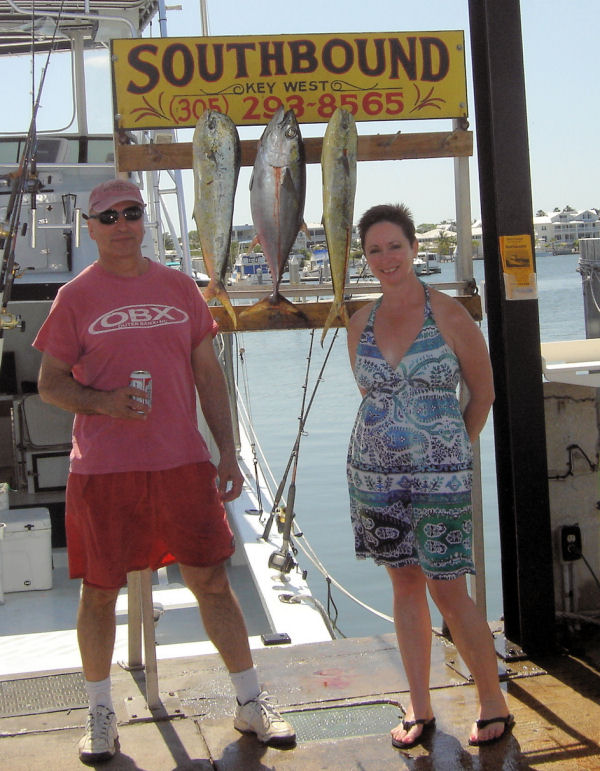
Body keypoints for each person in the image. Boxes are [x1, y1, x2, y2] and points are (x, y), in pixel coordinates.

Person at [33, 178, 296, 764]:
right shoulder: (74, 297)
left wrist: (226, 451)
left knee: (212, 582)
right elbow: (50, 385)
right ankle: (100, 713)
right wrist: (103, 402)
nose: (122, 225)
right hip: (103, 471)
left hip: (183, 463)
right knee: (99, 594)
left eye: (132, 213)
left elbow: (209, 375)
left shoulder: (179, 288)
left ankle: (250, 702)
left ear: (144, 219)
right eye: (108, 217)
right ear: (91, 227)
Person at [346, 203, 513, 750]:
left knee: (449, 588)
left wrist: (450, 451)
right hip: (375, 476)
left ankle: (493, 703)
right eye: (375, 249)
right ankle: (419, 706)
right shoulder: (359, 322)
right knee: (404, 583)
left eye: (395, 246)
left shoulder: (450, 314)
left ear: (415, 249)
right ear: (365, 258)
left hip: (441, 477)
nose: (386, 258)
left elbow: (482, 393)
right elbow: (370, 394)